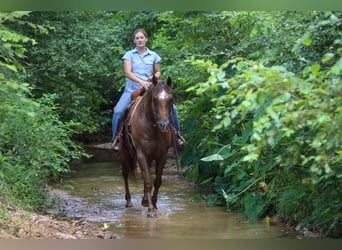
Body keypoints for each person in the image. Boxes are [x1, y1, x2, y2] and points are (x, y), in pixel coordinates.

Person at [111, 29, 185, 151]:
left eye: (142, 37)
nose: (140, 40)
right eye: (137, 38)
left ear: (146, 39)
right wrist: (141, 82)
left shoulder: (153, 55)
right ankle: (116, 140)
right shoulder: (129, 55)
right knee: (118, 112)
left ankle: (176, 136)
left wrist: (155, 76)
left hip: (149, 90)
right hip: (131, 90)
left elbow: (158, 71)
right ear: (134, 40)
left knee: (173, 109)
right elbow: (128, 73)